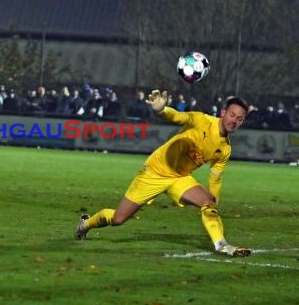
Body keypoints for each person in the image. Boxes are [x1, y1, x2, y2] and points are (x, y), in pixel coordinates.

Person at [75, 90, 252, 257]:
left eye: (239, 119)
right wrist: (162, 110)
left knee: (208, 202)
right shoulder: (202, 120)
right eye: (232, 115)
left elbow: (215, 177)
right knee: (118, 218)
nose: (234, 121)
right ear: (223, 112)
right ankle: (86, 224)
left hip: (179, 178)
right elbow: (178, 116)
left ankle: (222, 245)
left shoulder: (225, 149)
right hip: (154, 172)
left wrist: (214, 205)